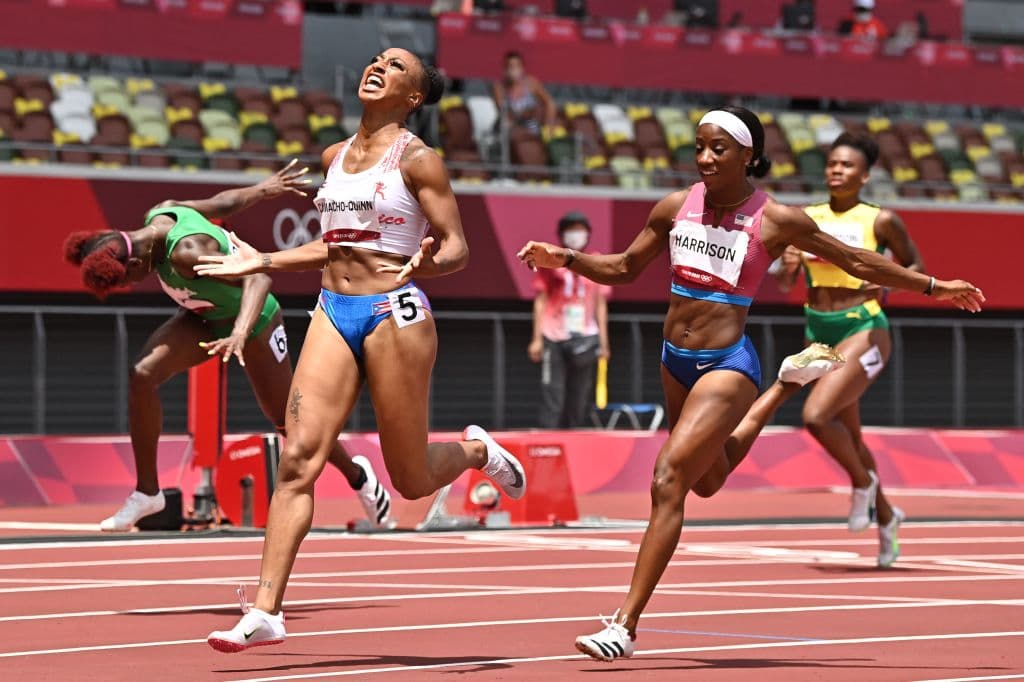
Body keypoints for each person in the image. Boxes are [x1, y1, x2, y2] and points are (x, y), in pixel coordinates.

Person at [516, 106, 984, 662]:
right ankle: (785, 385)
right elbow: (622, 268)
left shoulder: (776, 219)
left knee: (668, 480)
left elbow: (857, 261)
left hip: (727, 366)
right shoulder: (675, 206)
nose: (705, 157)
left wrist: (932, 286)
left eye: (718, 148)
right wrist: (567, 257)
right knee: (707, 480)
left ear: (748, 155)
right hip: (673, 360)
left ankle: (624, 625)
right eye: (699, 146)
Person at [196, 48, 526, 652]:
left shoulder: (420, 161)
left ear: (413, 97)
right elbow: (333, 248)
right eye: (376, 60)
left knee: (411, 479)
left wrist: (430, 262)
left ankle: (477, 451)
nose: (378, 67)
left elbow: (457, 246)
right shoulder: (333, 157)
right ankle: (266, 610)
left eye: (396, 67)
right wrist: (263, 259)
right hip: (332, 309)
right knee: (298, 457)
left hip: (393, 312)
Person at [62, 165, 393, 533]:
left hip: (255, 321)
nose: (132, 285)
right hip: (204, 318)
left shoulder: (188, 252)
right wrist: (263, 189)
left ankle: (359, 476)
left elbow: (258, 279)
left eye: (128, 280)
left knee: (288, 421)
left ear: (136, 262)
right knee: (142, 374)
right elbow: (221, 203)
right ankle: (147, 493)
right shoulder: (161, 211)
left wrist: (239, 333)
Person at [774, 132, 921, 567]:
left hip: (864, 328)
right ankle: (888, 517)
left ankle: (862, 483)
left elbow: (916, 266)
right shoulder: (806, 218)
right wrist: (786, 267)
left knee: (817, 416)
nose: (837, 170)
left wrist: (890, 282)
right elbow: (783, 283)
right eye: (832, 163)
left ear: (865, 175)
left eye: (847, 165)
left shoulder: (881, 220)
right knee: (850, 436)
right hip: (818, 331)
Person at [529, 211, 610, 428]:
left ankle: (573, 436)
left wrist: (604, 342)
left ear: (588, 234)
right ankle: (548, 438)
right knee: (552, 392)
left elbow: (600, 304)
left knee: (580, 394)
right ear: (562, 234)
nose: (575, 234)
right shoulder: (550, 260)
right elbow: (540, 300)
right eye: (570, 230)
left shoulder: (596, 260)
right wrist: (536, 338)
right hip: (553, 334)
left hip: (586, 336)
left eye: (579, 229)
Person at [490, 51, 557, 137]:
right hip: (510, 131)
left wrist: (549, 125)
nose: (513, 70)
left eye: (517, 66)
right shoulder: (499, 88)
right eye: (510, 66)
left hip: (532, 130)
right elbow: (504, 113)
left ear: (522, 68)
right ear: (505, 69)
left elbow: (550, 103)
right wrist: (526, 113)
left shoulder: (531, 83)